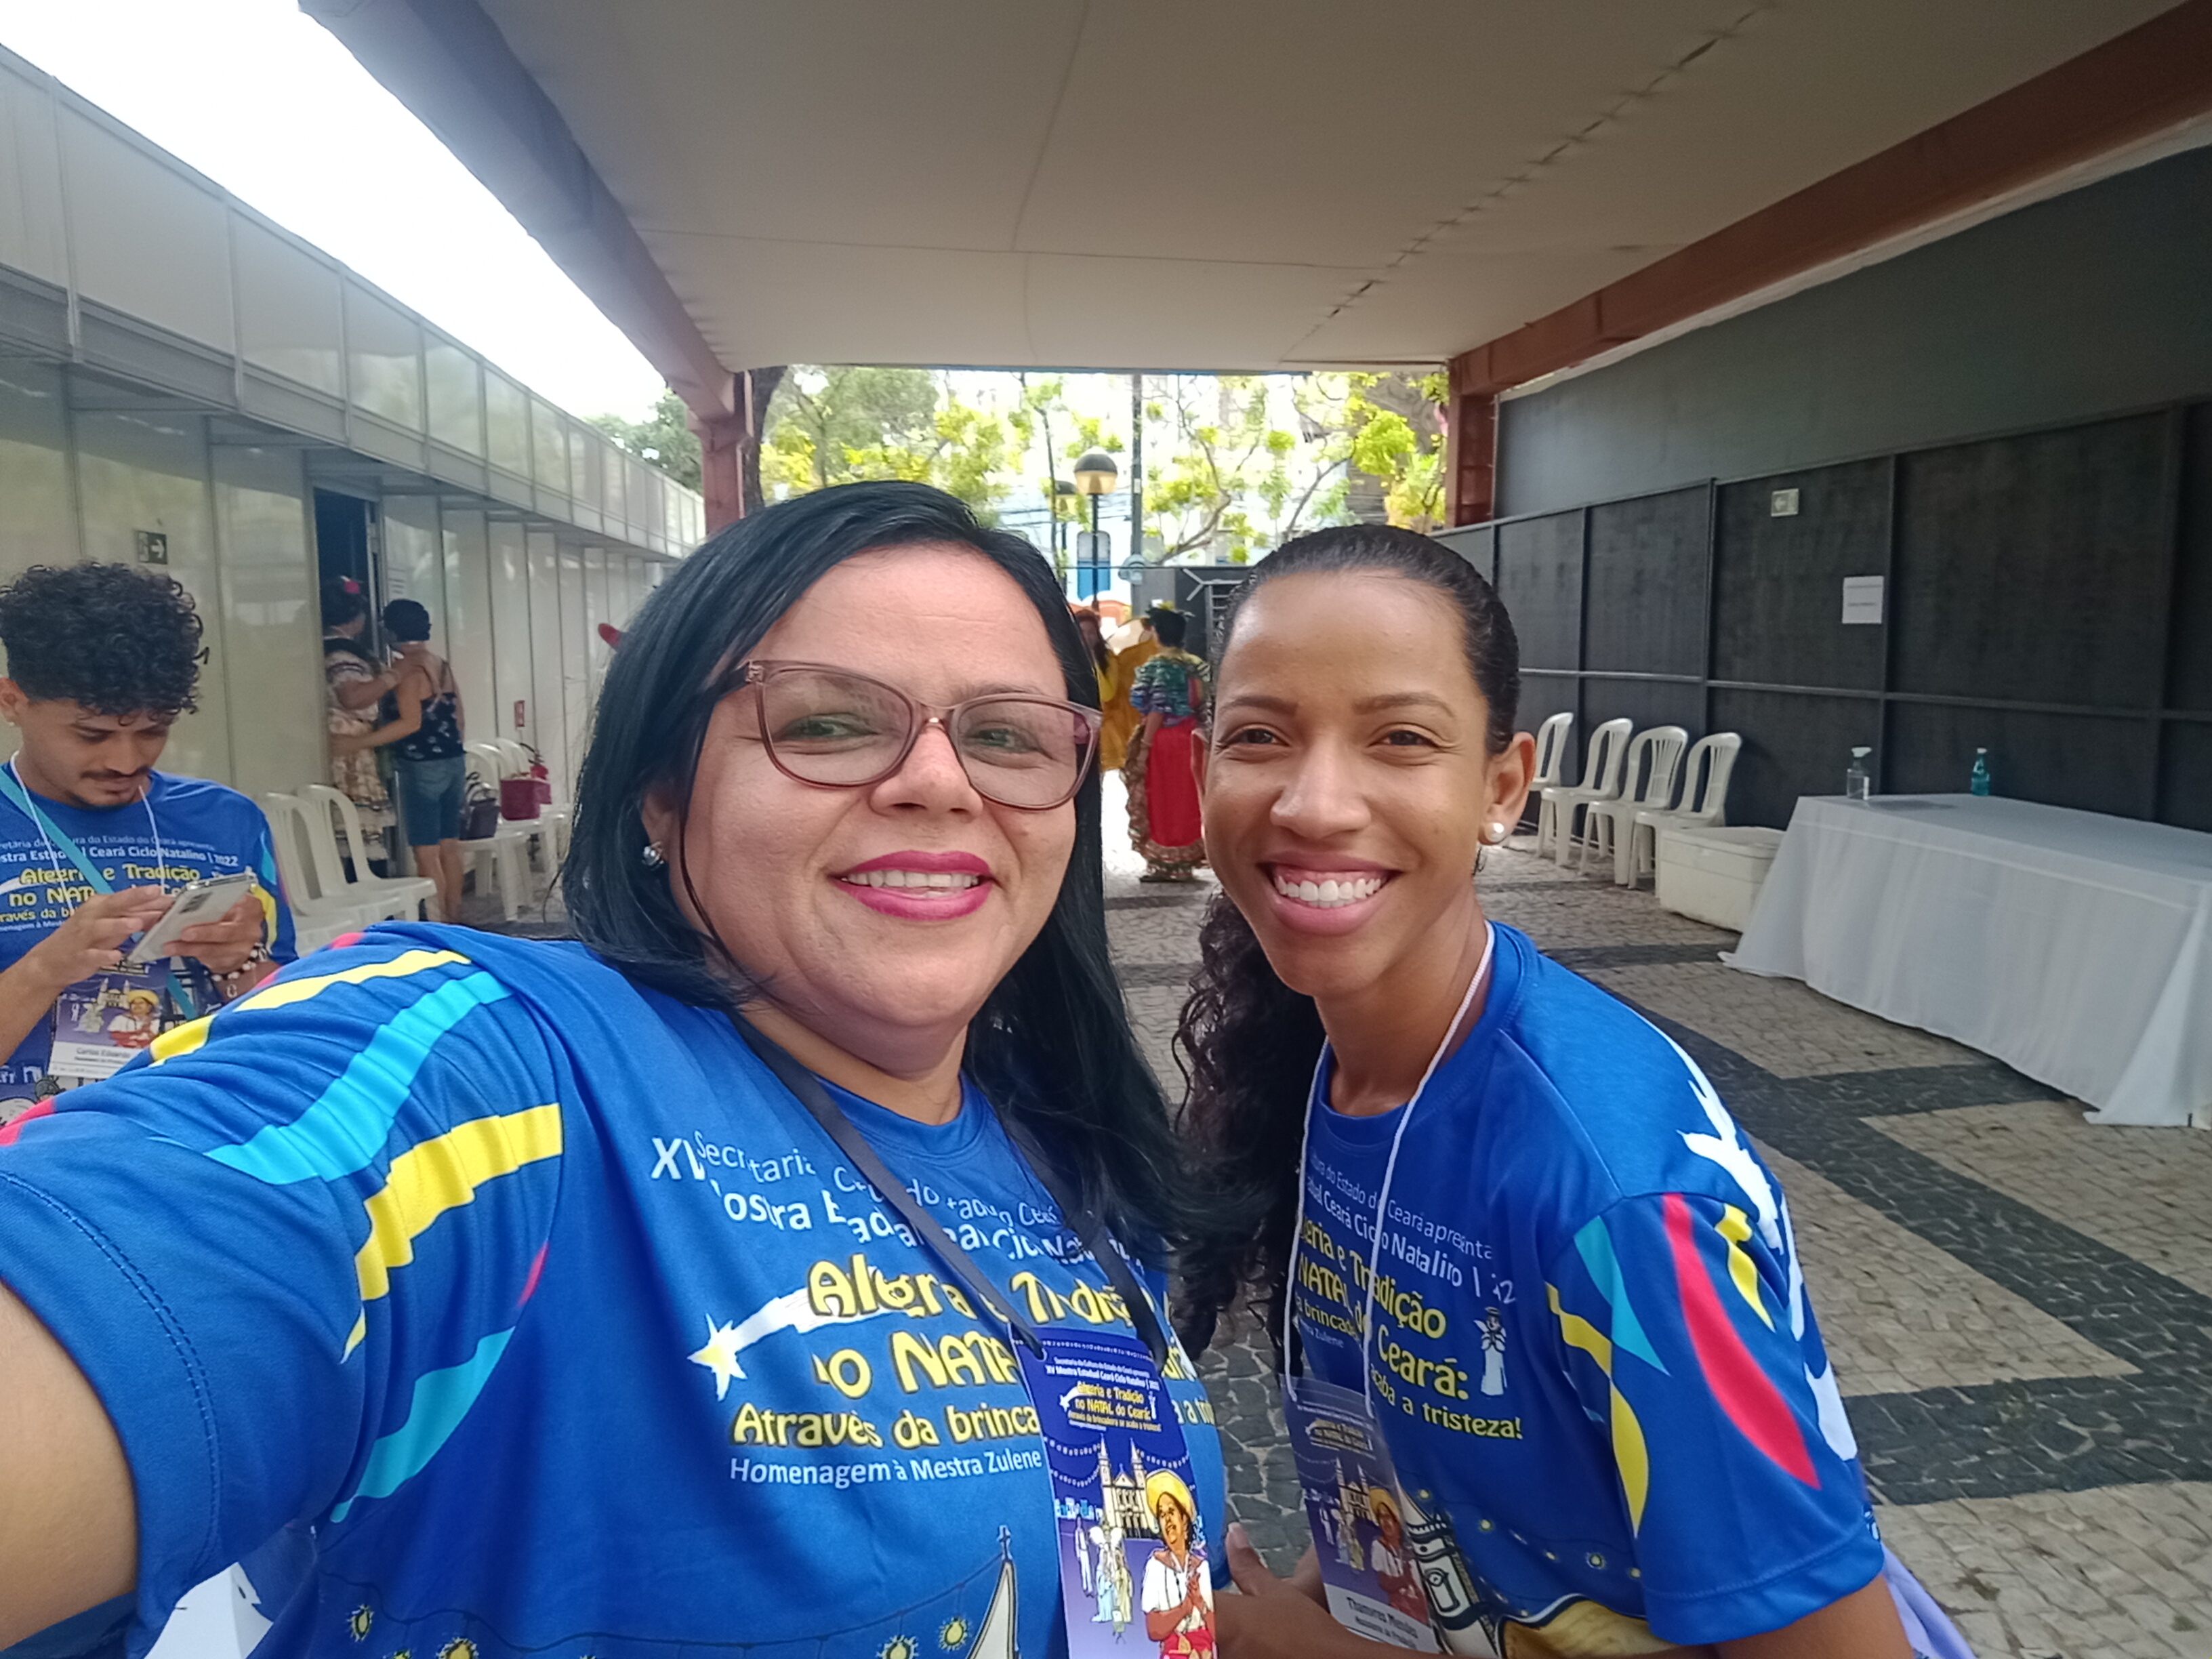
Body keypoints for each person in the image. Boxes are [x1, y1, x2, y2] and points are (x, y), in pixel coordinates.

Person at [0, 482, 1223, 1659]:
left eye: (1005, 735)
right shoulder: (490, 1075)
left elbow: (1130, 1592)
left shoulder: (1070, 1150)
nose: (940, 782)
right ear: (659, 791)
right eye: (827, 722)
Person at [1176, 525, 1925, 1657]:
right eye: (1260, 736)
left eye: (1399, 738)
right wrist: (1329, 1593)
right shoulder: (1335, 1061)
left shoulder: (1618, 1206)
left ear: (1501, 787)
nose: (1314, 802)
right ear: (1202, 773)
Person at [0, 563, 293, 1122]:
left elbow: (283, 1023)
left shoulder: (228, 821)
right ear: (12, 701)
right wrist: (43, 969)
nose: (125, 761)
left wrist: (241, 962)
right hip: (30, 1158)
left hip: (198, 1134)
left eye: (153, 730)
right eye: (92, 735)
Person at [380, 598, 468, 922]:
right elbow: (459, 718)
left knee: (426, 853)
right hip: (454, 760)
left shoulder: (407, 671)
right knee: (450, 847)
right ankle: (454, 918)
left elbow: (410, 723)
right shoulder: (441, 665)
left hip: (420, 766)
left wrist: (358, 742)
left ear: (391, 631)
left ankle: (438, 924)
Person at [1124, 608, 1209, 882]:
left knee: (1162, 800)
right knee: (1187, 800)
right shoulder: (1195, 664)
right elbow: (1202, 703)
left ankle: (1166, 861)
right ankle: (1184, 862)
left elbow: (1157, 709)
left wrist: (1144, 747)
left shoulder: (1158, 666)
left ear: (1158, 633)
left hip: (1164, 740)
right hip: (1191, 735)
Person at [321, 580, 398, 847]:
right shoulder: (343, 654)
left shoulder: (320, 646)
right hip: (348, 751)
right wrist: (390, 679)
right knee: (353, 835)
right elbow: (352, 697)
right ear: (357, 617)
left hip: (343, 744)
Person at [1143, 1471, 1216, 1659]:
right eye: (1162, 1514)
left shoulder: (1202, 1568)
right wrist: (1184, 1608)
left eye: (1171, 1512)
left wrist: (1200, 1604)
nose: (1167, 1520)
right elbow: (1154, 1630)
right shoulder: (1156, 1566)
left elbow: (1219, 1633)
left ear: (1184, 1520)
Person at [1099, 609, 1159, 773]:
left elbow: (1109, 693)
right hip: (1176, 731)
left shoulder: (1125, 656)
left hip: (1131, 722)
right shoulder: (1187, 662)